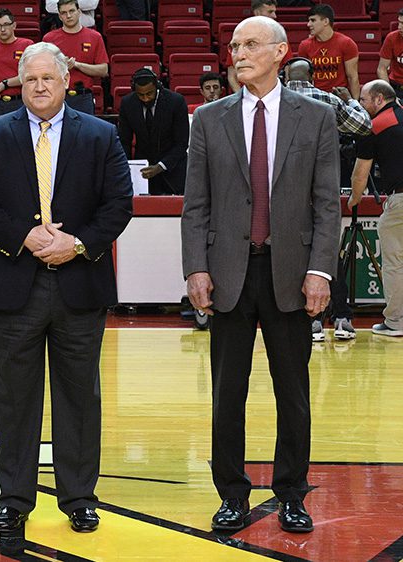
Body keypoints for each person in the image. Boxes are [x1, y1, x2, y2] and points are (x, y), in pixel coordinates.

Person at [0, 42, 133, 535]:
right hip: (14, 285)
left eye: (49, 79)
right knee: (14, 399)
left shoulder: (101, 135)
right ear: (19, 82)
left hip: (80, 283)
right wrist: (25, 235)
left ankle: (78, 497)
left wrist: (76, 244)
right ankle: (14, 499)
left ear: (66, 82)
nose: (39, 86)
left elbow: (119, 203)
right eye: (31, 78)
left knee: (79, 397)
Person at [182, 16, 341, 534]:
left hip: (292, 273)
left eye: (250, 44)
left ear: (280, 52)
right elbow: (196, 205)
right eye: (234, 45)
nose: (239, 52)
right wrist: (196, 268)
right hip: (228, 272)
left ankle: (292, 492)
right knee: (227, 392)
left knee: (292, 391)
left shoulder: (316, 117)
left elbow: (326, 204)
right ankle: (231, 494)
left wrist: (320, 269)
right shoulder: (208, 118)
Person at [282, 57, 372, 341]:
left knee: (293, 256)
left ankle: (311, 320)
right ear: (312, 76)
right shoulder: (326, 101)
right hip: (323, 186)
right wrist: (352, 101)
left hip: (283, 190)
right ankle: (343, 317)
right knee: (327, 253)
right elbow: (363, 125)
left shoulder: (274, 102)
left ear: (286, 76)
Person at [349, 80, 403, 337]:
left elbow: (361, 175)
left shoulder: (375, 127)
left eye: (364, 100)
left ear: (379, 99)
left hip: (400, 201)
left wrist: (353, 200)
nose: (361, 105)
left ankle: (395, 322)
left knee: (394, 263)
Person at [117, 68, 190, 195]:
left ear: (157, 87)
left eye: (149, 94)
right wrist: (128, 168)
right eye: (140, 95)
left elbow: (182, 143)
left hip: (174, 170)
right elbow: (124, 141)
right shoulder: (127, 103)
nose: (145, 98)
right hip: (144, 171)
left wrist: (161, 166)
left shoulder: (176, 102)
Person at [42, 0, 109, 114]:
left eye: (72, 11)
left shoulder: (95, 37)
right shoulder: (49, 38)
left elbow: (103, 70)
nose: (68, 16)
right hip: (57, 97)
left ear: (79, 12)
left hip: (84, 97)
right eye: (64, 13)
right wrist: (59, 65)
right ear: (59, 16)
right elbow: (42, 71)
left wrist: (77, 65)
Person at [298, 4, 360, 99]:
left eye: (313, 20)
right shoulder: (304, 45)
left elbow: (352, 77)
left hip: (338, 96)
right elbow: (303, 79)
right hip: (315, 97)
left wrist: (355, 104)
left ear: (326, 21)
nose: (308, 24)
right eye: (309, 20)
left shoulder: (347, 43)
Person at [227, 0, 288, 93]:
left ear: (280, 51)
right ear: (257, 12)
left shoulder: (278, 39)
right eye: (270, 12)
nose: (240, 55)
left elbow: (287, 70)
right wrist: (238, 100)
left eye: (251, 44)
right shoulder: (240, 37)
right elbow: (232, 76)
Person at [377, 9, 403, 98]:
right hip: (396, 88)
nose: (399, 27)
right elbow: (382, 69)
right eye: (399, 22)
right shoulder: (392, 38)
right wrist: (389, 93)